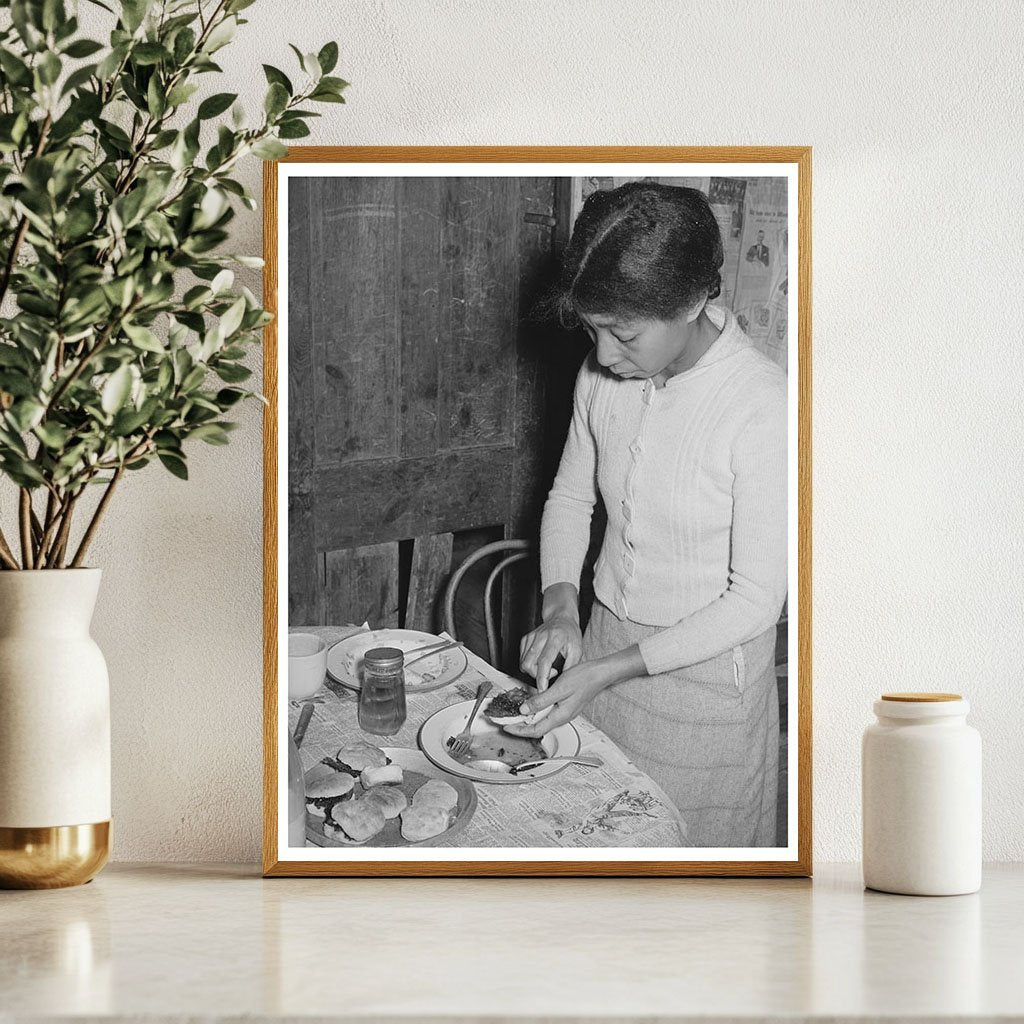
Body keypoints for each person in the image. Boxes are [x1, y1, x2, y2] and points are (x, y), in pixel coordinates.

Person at [510, 182, 787, 847]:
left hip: (706, 686)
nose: (603, 355)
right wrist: (559, 610)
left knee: (689, 879)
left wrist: (608, 668)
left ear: (694, 302)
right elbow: (572, 498)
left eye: (624, 333)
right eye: (592, 328)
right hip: (601, 650)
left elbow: (755, 601)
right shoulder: (603, 375)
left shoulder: (762, 405)